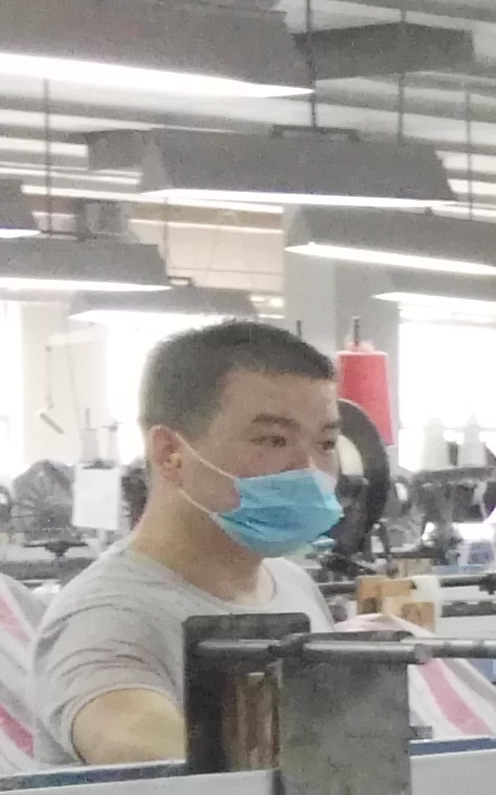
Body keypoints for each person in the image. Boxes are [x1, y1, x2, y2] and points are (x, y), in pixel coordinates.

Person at [35, 318, 340, 766]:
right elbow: (130, 740)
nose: (309, 470)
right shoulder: (109, 616)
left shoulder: (291, 584)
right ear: (170, 453)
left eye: (326, 443)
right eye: (274, 440)